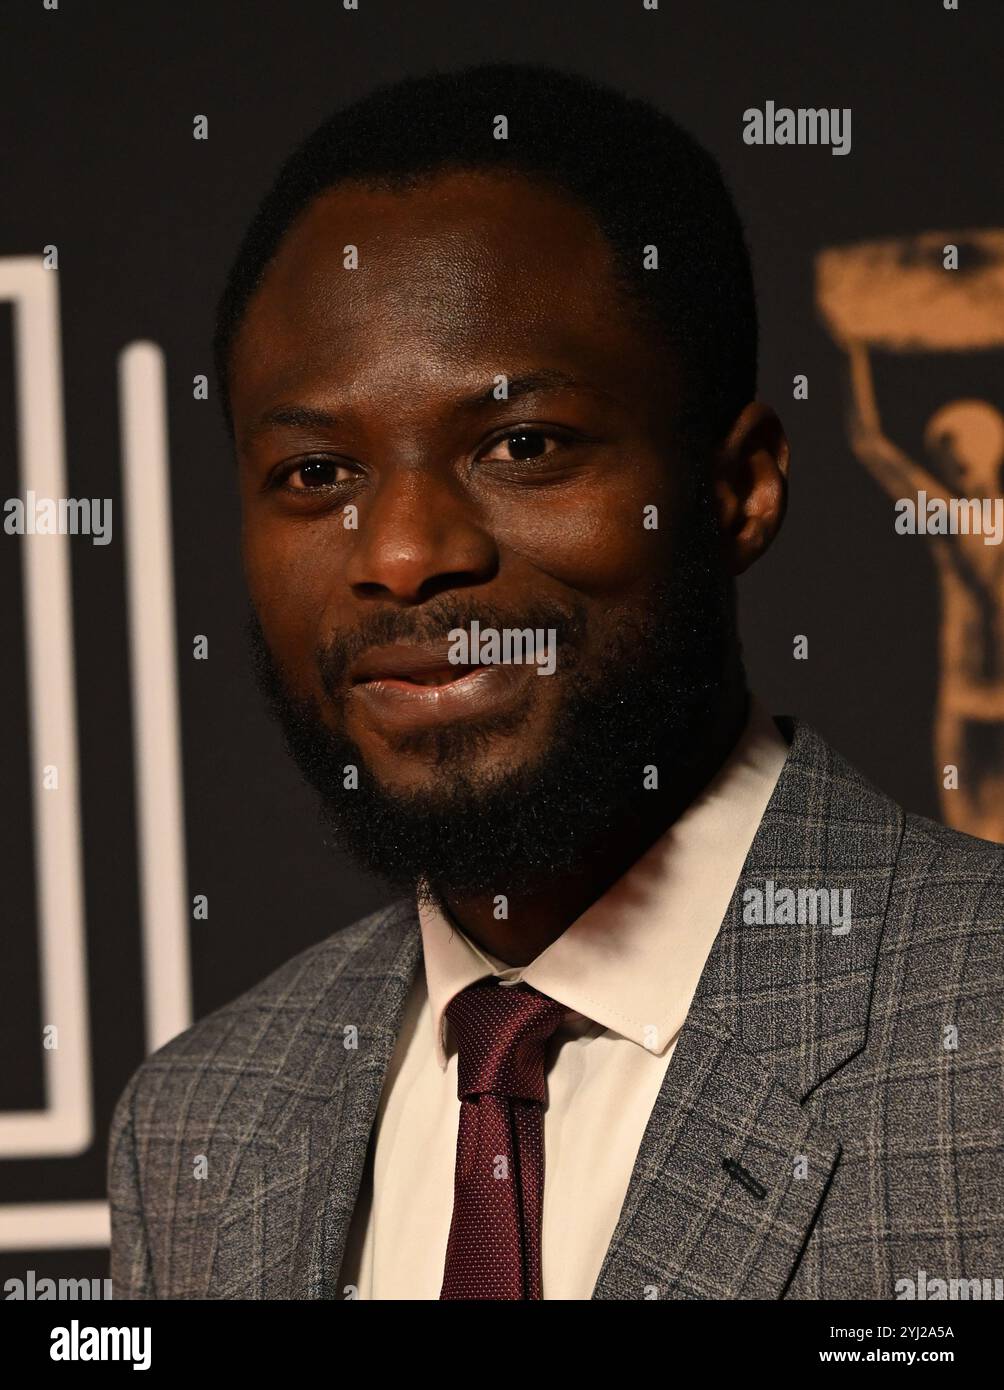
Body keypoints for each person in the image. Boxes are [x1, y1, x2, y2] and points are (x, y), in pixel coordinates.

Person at [107, 62, 1004, 1300]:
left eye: (519, 445)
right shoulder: (196, 1127)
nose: (401, 554)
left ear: (738, 488)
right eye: (318, 473)